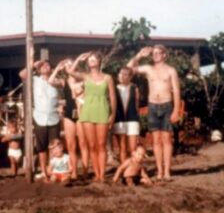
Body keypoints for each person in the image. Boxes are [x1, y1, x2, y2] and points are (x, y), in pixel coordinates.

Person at [127, 45, 181, 180]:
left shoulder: (171, 71)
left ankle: (167, 171)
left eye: (158, 53)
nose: (155, 55)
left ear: (164, 55)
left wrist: (176, 110)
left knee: (167, 140)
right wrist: (139, 55)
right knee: (156, 141)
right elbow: (127, 70)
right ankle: (160, 171)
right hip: (152, 106)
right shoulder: (148, 69)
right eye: (154, 53)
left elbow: (177, 91)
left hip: (167, 105)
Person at [67, 51, 116, 182]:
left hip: (102, 111)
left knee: (101, 145)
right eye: (90, 59)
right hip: (87, 112)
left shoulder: (108, 77)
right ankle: (96, 174)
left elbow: (112, 97)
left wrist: (113, 115)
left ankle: (102, 174)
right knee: (92, 145)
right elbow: (70, 71)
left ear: (99, 61)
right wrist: (78, 58)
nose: (91, 60)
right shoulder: (85, 76)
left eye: (94, 59)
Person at [19, 59, 61, 180]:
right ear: (38, 69)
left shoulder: (56, 80)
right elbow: (22, 74)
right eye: (42, 65)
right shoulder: (34, 80)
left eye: (48, 65)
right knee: (41, 147)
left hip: (54, 117)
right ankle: (43, 171)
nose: (45, 67)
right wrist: (34, 64)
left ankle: (53, 171)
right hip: (40, 117)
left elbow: (55, 82)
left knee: (55, 146)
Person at [48, 59, 89, 179]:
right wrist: (57, 68)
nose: (70, 66)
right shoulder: (64, 81)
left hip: (82, 114)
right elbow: (50, 81)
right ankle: (74, 172)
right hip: (69, 115)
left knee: (83, 144)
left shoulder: (83, 80)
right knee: (71, 145)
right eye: (67, 65)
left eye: (71, 64)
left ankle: (85, 171)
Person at [113, 66, 141, 163]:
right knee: (122, 147)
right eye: (120, 74)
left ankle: (133, 170)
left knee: (133, 148)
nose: (122, 76)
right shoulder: (113, 89)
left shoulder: (134, 88)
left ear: (130, 77)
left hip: (132, 120)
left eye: (125, 74)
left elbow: (137, 105)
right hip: (119, 120)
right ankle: (125, 172)